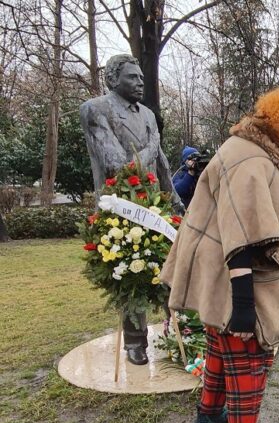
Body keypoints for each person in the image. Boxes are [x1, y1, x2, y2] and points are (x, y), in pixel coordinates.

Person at [161, 88, 279, 423]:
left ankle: (209, 413)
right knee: (250, 356)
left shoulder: (259, 150)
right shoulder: (249, 156)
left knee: (220, 343)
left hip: (236, 273)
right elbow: (244, 237)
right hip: (241, 276)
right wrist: (245, 306)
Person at [80, 54, 183, 365]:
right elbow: (117, 164)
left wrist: (175, 200)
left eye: (141, 77)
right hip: (120, 209)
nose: (140, 83)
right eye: (132, 78)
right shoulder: (96, 109)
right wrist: (154, 143)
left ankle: (178, 331)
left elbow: (162, 163)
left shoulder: (149, 115)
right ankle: (135, 343)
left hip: (155, 206)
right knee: (131, 276)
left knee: (171, 271)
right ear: (114, 80)